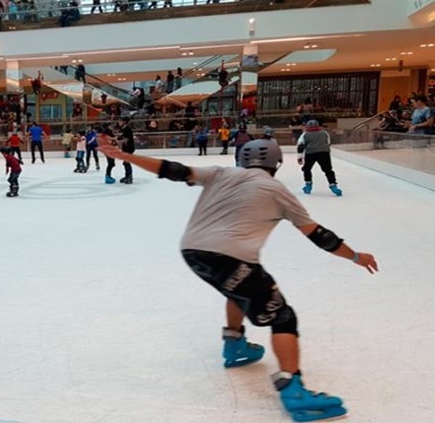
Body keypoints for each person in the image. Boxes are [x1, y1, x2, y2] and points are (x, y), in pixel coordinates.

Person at [98, 136, 378, 423]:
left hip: (193, 251)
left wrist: (123, 155)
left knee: (240, 288)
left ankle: (234, 345)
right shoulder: (277, 190)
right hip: (230, 256)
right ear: (276, 163)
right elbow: (321, 237)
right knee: (283, 317)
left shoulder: (221, 173)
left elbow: (173, 170)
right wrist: (356, 256)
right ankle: (295, 392)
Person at [297, 120, 342, 196]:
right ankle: (333, 185)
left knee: (307, 169)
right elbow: (328, 143)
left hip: (310, 153)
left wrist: (300, 157)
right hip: (324, 153)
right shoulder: (324, 133)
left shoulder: (305, 135)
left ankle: (308, 185)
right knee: (328, 170)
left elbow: (300, 146)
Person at [117, 117, 135, 184]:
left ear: (124, 122)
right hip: (125, 148)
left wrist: (119, 141)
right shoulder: (123, 129)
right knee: (125, 163)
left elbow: (127, 139)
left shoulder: (128, 129)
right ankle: (127, 176)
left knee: (127, 162)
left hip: (129, 148)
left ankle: (129, 177)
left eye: (120, 121)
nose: (119, 122)